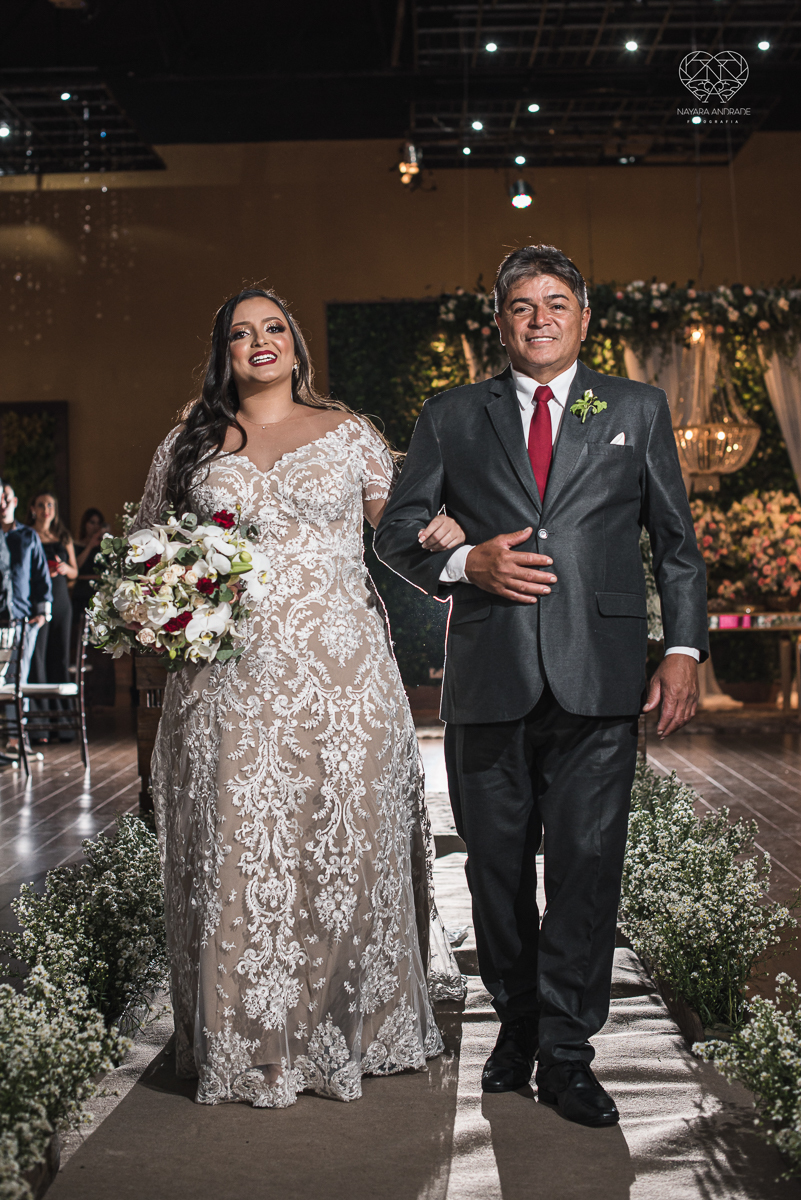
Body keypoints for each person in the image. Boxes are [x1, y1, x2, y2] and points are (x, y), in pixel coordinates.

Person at [374, 244, 708, 1128]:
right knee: (493, 874)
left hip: (600, 678)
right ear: (500, 322)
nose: (540, 319)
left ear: (583, 317)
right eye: (521, 306)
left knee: (586, 868)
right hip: (489, 675)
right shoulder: (450, 415)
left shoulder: (635, 407)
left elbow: (675, 545)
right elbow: (397, 533)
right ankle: (514, 1026)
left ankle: (566, 1053)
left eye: (555, 303)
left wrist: (680, 648)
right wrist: (464, 562)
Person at [135, 287, 464, 1108]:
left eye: (273, 327)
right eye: (241, 333)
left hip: (343, 680)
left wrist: (448, 536)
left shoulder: (348, 434)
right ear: (224, 354)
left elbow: (400, 531)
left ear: (295, 344)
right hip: (227, 684)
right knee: (238, 854)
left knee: (341, 845)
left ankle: (351, 1027)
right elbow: (148, 555)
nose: (259, 342)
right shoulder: (189, 445)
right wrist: (158, 610)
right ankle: (246, 1043)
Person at [0, 483, 52, 735]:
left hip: (22, 620)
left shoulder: (27, 536)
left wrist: (42, 613)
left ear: (15, 501)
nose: (2, 503)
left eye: (6, 498)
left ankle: (16, 739)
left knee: (17, 681)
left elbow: (42, 577)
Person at [28, 492, 78, 742]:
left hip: (61, 603)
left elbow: (74, 572)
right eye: (41, 505)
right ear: (32, 509)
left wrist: (63, 567)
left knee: (60, 659)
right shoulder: (28, 535)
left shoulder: (63, 536)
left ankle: (65, 725)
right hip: (38, 602)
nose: (46, 509)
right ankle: (40, 726)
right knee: (39, 659)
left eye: (50, 504)